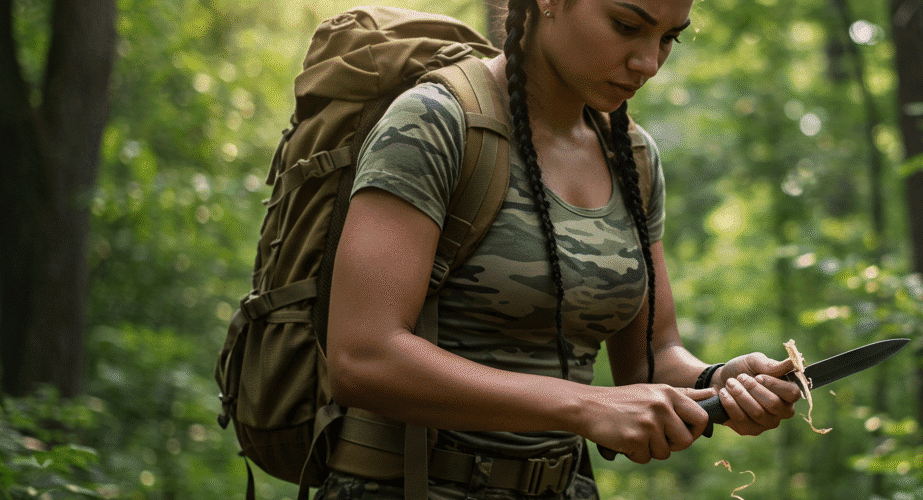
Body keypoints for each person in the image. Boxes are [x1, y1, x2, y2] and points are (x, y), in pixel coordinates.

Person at [319, 0, 802, 498]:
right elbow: (362, 357)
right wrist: (586, 406)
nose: (648, 62)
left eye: (668, 38)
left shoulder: (630, 156)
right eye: (626, 26)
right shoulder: (436, 123)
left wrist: (718, 380)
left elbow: (650, 358)